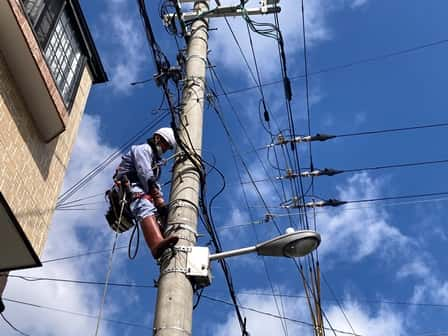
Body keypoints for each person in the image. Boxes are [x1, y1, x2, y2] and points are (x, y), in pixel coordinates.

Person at [113, 127, 178, 259]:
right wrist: (158, 198)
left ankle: (164, 241)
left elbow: (152, 181)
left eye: (168, 148)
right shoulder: (143, 149)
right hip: (129, 190)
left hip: (140, 191)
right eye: (166, 145)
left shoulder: (155, 161)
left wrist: (160, 205)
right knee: (144, 205)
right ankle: (156, 245)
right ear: (157, 138)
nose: (165, 150)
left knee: (157, 214)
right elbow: (145, 174)